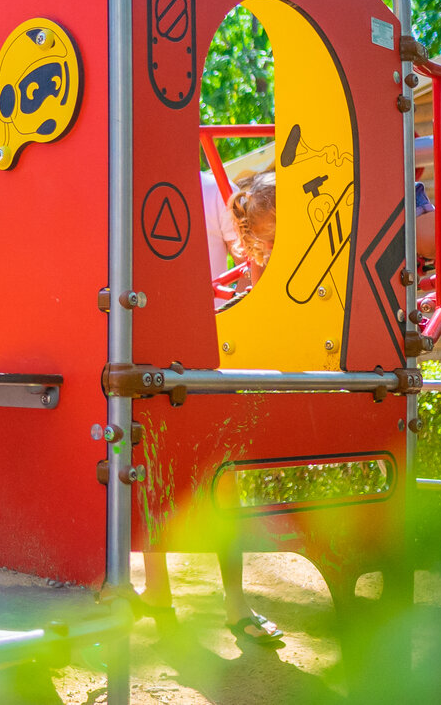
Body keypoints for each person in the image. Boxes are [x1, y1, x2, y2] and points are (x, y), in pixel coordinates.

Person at [138, 169, 284, 647]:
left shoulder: (205, 186)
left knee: (223, 475)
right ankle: (156, 589)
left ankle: (235, 602)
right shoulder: (123, 177)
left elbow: (251, 255)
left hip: (208, 343)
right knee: (146, 466)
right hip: (144, 338)